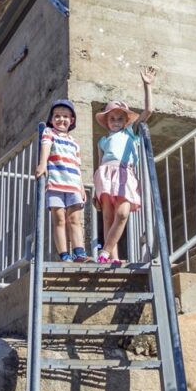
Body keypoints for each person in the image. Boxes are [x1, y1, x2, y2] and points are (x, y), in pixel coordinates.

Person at [93, 67, 156, 265]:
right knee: (108, 218)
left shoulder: (130, 133)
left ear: (126, 121)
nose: (116, 121)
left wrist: (148, 86)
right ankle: (113, 258)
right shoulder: (102, 141)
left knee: (122, 214)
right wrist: (96, 191)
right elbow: (99, 164)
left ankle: (104, 251)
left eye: (120, 118)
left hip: (124, 173)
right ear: (107, 121)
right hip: (105, 174)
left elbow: (149, 111)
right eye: (112, 118)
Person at [34, 99, 90, 263]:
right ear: (51, 119)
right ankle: (64, 255)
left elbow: (77, 165)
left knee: (75, 219)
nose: (61, 119)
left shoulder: (74, 142)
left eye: (65, 116)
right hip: (56, 183)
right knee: (59, 219)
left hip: (73, 185)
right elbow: (45, 147)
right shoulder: (49, 133)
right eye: (57, 116)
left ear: (71, 120)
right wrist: (42, 164)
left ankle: (79, 253)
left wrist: (80, 186)